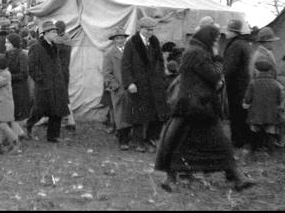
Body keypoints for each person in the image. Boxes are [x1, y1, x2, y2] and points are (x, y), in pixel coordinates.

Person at [155, 26, 255, 192]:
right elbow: (215, 75)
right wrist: (217, 58)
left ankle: (171, 179)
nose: (216, 42)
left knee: (180, 141)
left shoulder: (194, 51)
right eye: (215, 39)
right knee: (218, 142)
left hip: (191, 105)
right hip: (200, 105)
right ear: (207, 38)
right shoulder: (198, 53)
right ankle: (236, 177)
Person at [121, 17, 167, 152]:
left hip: (155, 85)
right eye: (148, 30)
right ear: (141, 29)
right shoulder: (131, 43)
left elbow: (160, 61)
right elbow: (125, 64)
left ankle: (151, 139)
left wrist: (162, 78)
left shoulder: (154, 41)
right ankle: (137, 141)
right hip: (138, 85)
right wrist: (129, 83)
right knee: (139, 114)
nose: (150, 32)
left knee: (156, 113)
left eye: (152, 30)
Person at [26, 21, 69, 143]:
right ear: (46, 33)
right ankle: (29, 126)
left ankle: (53, 136)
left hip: (57, 85)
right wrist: (41, 80)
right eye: (53, 32)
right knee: (39, 110)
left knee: (57, 111)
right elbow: (32, 67)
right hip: (44, 86)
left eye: (56, 31)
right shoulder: (36, 47)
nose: (56, 34)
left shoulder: (55, 46)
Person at [223, 19, 253, 149]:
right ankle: (245, 139)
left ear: (233, 32)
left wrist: (222, 79)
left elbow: (230, 68)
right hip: (243, 83)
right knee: (242, 113)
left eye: (228, 30)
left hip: (236, 85)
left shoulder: (235, 45)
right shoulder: (243, 43)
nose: (226, 32)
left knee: (236, 113)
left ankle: (238, 141)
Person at [242, 60, 282, 153]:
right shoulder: (275, 83)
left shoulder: (253, 82)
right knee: (270, 129)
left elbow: (248, 98)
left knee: (254, 128)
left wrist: (245, 103)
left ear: (257, 70)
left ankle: (254, 149)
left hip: (256, 111)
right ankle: (270, 150)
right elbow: (279, 98)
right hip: (271, 111)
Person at [102, 27, 130, 149]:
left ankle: (129, 138)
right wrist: (115, 87)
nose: (120, 40)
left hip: (131, 88)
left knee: (131, 114)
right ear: (114, 40)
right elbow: (107, 74)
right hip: (119, 89)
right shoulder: (109, 54)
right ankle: (122, 141)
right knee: (120, 115)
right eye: (117, 38)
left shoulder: (130, 52)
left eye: (122, 38)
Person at [5, 33, 30, 139]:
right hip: (10, 87)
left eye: (7, 42)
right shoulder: (8, 54)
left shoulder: (22, 55)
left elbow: (24, 74)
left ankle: (18, 134)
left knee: (14, 113)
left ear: (13, 44)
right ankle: (19, 133)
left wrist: (8, 75)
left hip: (19, 88)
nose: (5, 44)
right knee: (10, 113)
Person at [55, 20, 76, 132]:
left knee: (63, 97)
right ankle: (69, 120)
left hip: (60, 72)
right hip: (65, 71)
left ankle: (71, 121)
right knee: (63, 96)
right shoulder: (67, 40)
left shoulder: (60, 43)